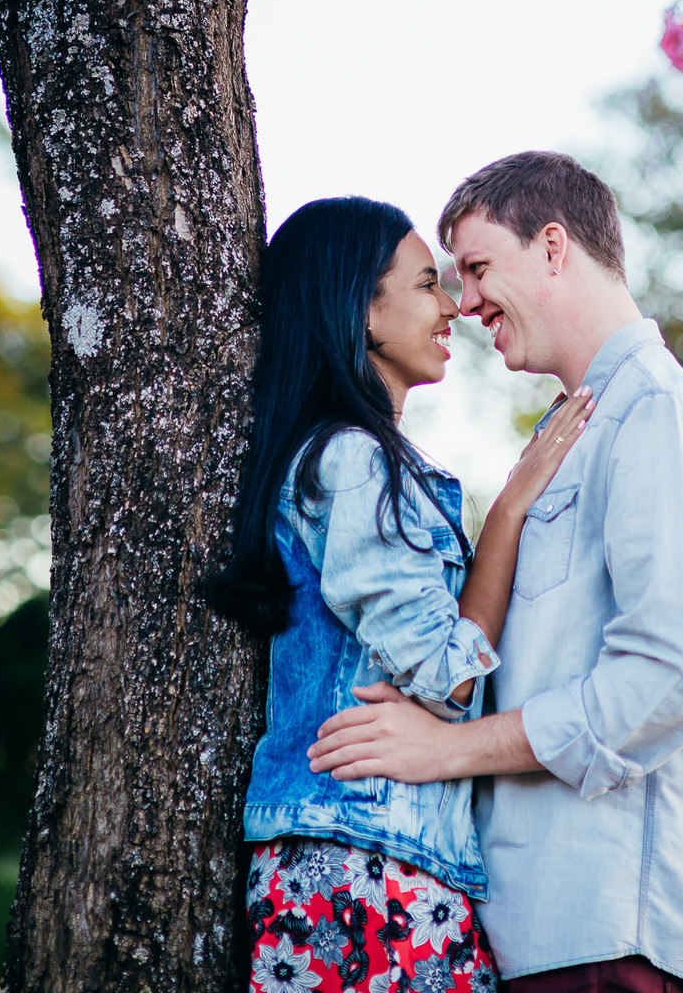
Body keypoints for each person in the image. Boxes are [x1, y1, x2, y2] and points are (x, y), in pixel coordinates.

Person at [309, 154, 683, 993]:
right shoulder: (583, 427)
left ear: (553, 247)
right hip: (542, 928)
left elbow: (664, 678)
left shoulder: (656, 415)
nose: (467, 301)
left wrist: (446, 750)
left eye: (478, 269)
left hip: (613, 930)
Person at [207, 195, 592, 993]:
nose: (453, 305)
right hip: (362, 869)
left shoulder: (363, 463)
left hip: (377, 858)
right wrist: (511, 511)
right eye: (427, 284)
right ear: (363, 312)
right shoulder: (354, 461)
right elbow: (447, 678)